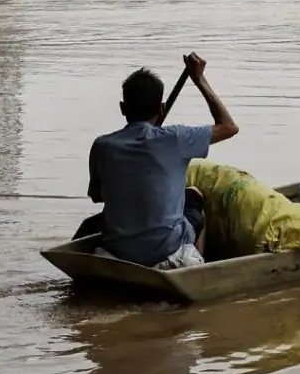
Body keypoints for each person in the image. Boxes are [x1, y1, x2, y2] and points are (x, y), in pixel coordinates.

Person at [73, 53, 239, 268]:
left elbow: (97, 197)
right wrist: (199, 79)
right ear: (161, 109)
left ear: (123, 108)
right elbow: (229, 127)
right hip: (165, 249)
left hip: (119, 247)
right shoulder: (176, 138)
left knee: (95, 223)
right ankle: (195, 263)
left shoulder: (102, 146)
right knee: (194, 199)